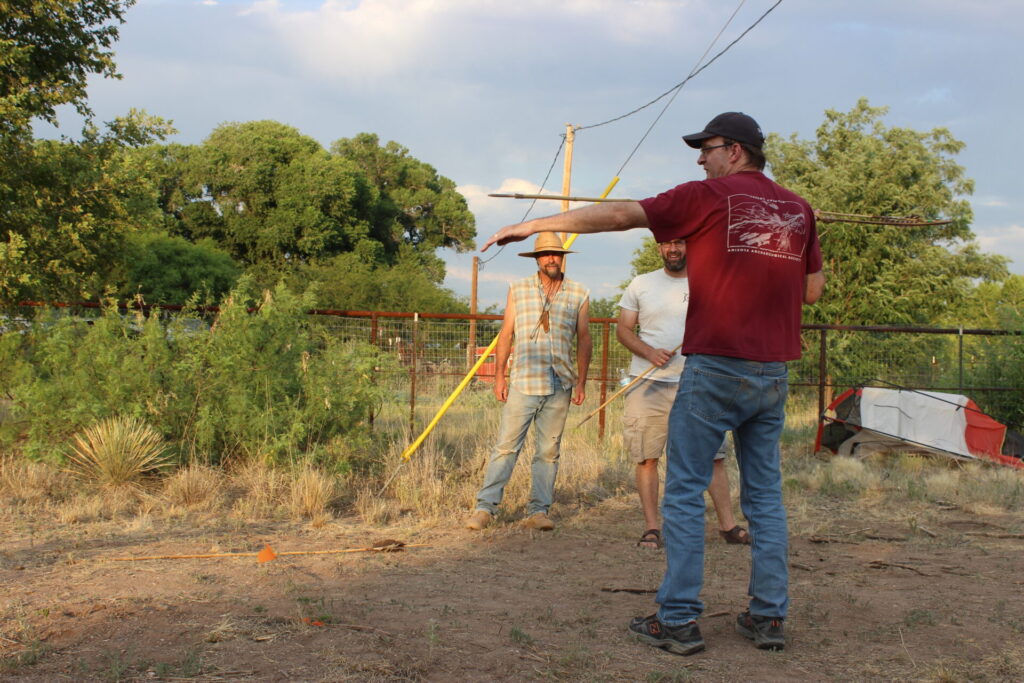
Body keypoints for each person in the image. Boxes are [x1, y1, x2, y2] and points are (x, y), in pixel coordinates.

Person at [481, 112, 825, 654]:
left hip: (714, 367)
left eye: (706, 148)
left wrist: (533, 225)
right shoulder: (799, 210)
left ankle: (680, 618)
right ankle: (768, 617)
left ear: (733, 151)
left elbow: (622, 214)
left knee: (684, 492)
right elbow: (812, 293)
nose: (699, 158)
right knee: (765, 497)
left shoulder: (707, 196)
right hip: (773, 371)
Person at [618, 238, 749, 550]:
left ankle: (728, 526)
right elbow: (623, 330)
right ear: (659, 248)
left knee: (713, 457)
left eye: (679, 243)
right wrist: (649, 352)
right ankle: (653, 528)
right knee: (647, 456)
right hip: (647, 383)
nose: (672, 249)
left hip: (698, 382)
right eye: (666, 244)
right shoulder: (641, 283)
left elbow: (728, 325)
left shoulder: (710, 282)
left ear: (690, 246)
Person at [466, 232, 592, 532]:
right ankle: (485, 508)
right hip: (524, 379)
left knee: (549, 451)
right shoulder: (518, 289)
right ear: (536, 259)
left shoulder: (579, 293)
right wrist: (499, 376)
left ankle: (538, 511)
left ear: (563, 258)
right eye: (545, 254)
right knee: (506, 447)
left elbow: (584, 338)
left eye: (556, 254)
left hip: (560, 382)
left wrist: (582, 381)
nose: (551, 258)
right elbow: (506, 334)